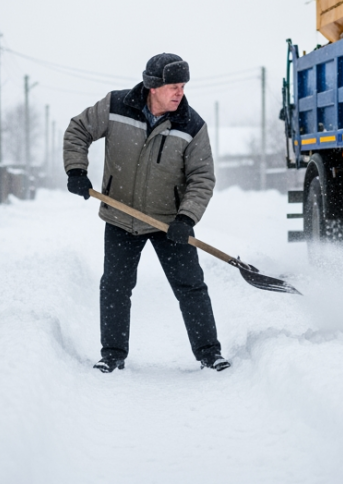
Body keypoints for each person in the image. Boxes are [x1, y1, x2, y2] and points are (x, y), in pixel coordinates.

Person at [63, 53, 228, 373]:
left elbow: (202, 177)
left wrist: (186, 218)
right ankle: (112, 355)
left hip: (170, 223)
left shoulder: (191, 125)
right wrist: (76, 170)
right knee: (115, 287)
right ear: (153, 87)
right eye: (174, 86)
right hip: (120, 217)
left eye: (183, 86)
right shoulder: (115, 106)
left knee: (191, 286)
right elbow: (78, 129)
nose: (180, 93)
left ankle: (209, 353)